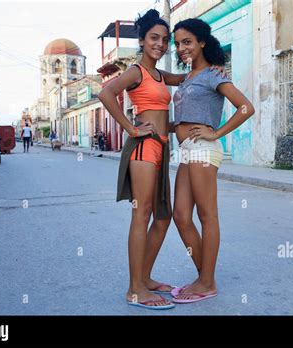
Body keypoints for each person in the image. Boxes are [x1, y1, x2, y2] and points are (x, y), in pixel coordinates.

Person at [98, 9, 196, 310]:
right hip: (143, 150)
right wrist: (130, 128)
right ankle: (135, 289)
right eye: (154, 38)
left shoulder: (158, 75)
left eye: (165, 40)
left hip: (162, 146)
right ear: (142, 40)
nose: (161, 44)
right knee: (142, 215)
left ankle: (145, 277)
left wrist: (211, 67)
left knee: (162, 217)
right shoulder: (136, 71)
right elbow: (105, 93)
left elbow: (186, 78)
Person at [170, 18, 255, 303]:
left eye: (188, 42)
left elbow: (246, 107)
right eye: (178, 43)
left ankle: (206, 282)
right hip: (186, 151)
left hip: (204, 150)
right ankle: (204, 277)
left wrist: (215, 132)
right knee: (181, 216)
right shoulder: (187, 78)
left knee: (207, 216)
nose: (182, 48)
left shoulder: (213, 75)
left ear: (202, 42)